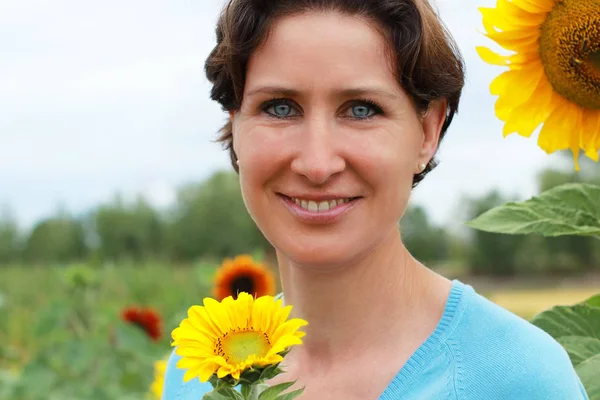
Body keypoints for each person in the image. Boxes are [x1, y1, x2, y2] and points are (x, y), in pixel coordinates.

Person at [163, 0, 589, 398]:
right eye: (279, 108)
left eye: (361, 109)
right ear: (235, 124)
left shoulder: (519, 378)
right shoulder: (197, 376)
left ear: (428, 131)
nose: (317, 163)